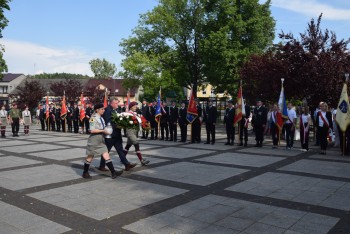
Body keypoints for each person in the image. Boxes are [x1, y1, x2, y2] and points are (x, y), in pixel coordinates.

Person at [82, 103, 123, 179]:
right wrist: (103, 130)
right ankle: (85, 172)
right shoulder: (93, 118)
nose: (103, 110)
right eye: (102, 109)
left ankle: (113, 172)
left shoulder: (101, 118)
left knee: (106, 155)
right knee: (90, 157)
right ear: (97, 110)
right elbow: (91, 130)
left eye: (104, 109)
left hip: (101, 139)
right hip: (94, 140)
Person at [98, 98, 137, 171]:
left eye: (117, 103)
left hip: (117, 134)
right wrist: (118, 123)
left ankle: (126, 164)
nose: (117, 104)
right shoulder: (107, 110)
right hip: (110, 135)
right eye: (116, 103)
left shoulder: (118, 110)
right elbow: (108, 121)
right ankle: (101, 166)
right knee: (106, 151)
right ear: (111, 103)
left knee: (120, 150)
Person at [123, 102, 150, 166]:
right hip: (130, 132)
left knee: (128, 145)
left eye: (136, 106)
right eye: (135, 106)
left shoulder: (134, 113)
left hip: (134, 132)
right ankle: (141, 160)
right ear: (131, 107)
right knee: (136, 144)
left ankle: (122, 158)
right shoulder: (128, 113)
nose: (136, 107)